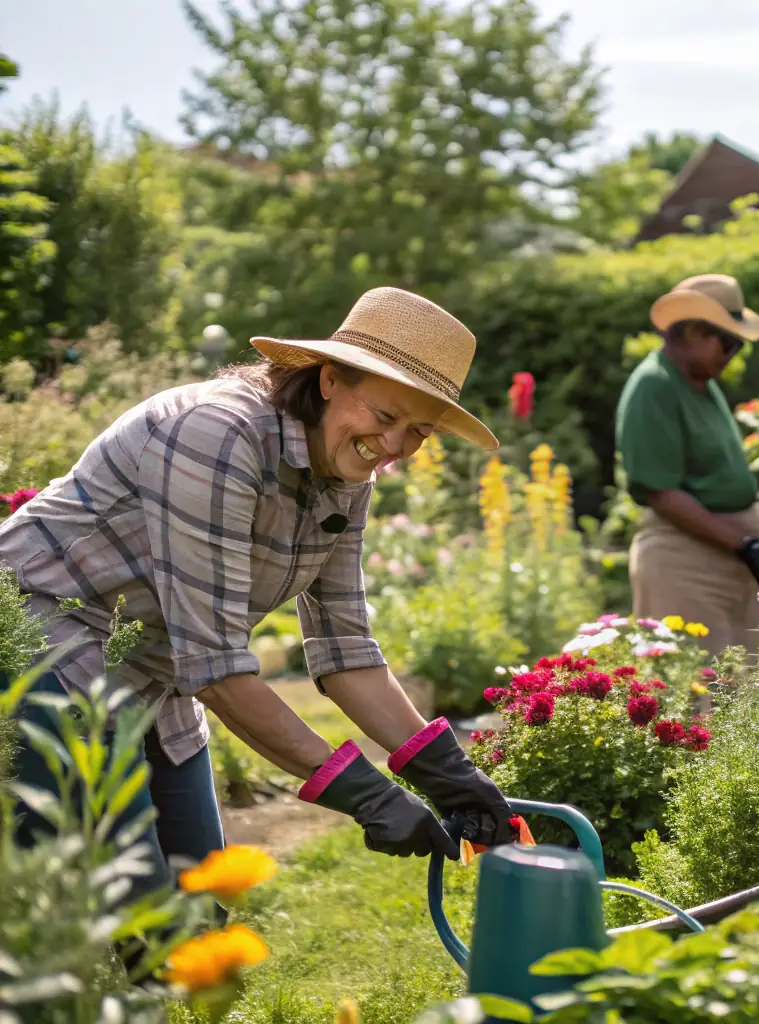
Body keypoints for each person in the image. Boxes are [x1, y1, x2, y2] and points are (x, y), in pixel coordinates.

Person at [1, 287, 516, 903]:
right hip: (40, 640)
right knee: (129, 905)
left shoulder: (346, 470)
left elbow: (344, 646)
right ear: (329, 380)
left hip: (152, 665)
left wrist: (447, 772)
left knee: (202, 904)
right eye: (385, 417)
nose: (395, 448)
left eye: (419, 433)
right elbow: (216, 668)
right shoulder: (217, 434)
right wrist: (365, 794)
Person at [617, 274, 759, 657]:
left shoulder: (700, 383)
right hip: (686, 563)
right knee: (698, 694)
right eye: (728, 342)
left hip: (727, 558)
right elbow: (660, 493)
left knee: (745, 694)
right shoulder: (655, 386)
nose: (733, 353)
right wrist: (748, 545)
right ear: (692, 333)